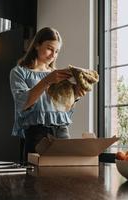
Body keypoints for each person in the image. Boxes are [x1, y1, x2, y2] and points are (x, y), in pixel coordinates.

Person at [9, 27, 86, 161]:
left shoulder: (58, 74)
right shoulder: (19, 72)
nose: (53, 55)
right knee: (36, 177)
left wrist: (76, 95)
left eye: (57, 51)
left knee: (63, 175)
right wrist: (46, 81)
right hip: (37, 132)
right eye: (50, 48)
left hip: (62, 131)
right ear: (37, 45)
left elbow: (63, 106)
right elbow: (23, 103)